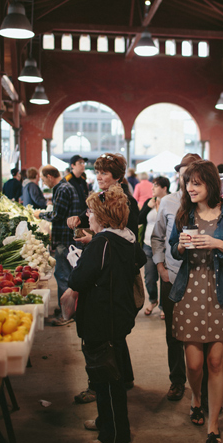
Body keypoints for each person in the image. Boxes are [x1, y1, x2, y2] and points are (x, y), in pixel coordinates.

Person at [169, 160, 223, 443]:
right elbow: (173, 249)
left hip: (221, 292)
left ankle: (213, 425)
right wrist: (181, 246)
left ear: (211, 184)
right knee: (194, 364)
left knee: (215, 362)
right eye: (188, 183)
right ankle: (196, 398)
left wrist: (218, 244)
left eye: (197, 183)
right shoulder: (184, 213)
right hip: (190, 292)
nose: (190, 188)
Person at [61, 187, 146, 443]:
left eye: (90, 211)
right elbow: (138, 260)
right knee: (107, 374)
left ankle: (116, 435)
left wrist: (79, 260)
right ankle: (104, 421)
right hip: (117, 315)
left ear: (102, 216)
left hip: (102, 318)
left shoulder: (102, 243)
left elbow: (78, 279)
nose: (87, 216)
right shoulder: (126, 238)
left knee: (106, 378)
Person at [70, 153, 139, 403]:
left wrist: (98, 240)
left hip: (112, 283)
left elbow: (127, 240)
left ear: (117, 176)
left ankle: (105, 387)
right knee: (114, 339)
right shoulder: (102, 198)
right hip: (110, 276)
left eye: (104, 173)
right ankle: (123, 378)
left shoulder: (124, 203)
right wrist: (81, 222)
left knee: (108, 340)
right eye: (97, 172)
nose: (99, 176)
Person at [151, 153, 202, 403]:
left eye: (193, 174)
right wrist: (161, 267)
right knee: (173, 333)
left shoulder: (211, 204)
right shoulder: (168, 202)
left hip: (202, 280)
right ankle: (177, 380)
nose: (188, 179)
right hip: (172, 277)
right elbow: (157, 236)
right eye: (184, 174)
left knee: (201, 334)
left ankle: (202, 386)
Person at [36, 165, 82, 312]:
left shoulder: (62, 189)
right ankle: (67, 309)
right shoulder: (65, 187)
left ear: (50, 177)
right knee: (66, 274)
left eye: (43, 179)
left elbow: (57, 215)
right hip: (68, 237)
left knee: (62, 275)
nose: (43, 183)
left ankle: (66, 313)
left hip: (65, 239)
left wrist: (40, 214)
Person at [139, 176, 171, 316]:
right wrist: (148, 207)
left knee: (165, 278)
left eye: (156, 186)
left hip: (165, 246)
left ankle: (164, 306)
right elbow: (139, 219)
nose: (152, 188)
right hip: (148, 245)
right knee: (150, 278)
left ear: (164, 188)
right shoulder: (150, 201)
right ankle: (153, 300)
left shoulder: (171, 202)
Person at [65, 155, 89, 223]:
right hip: (72, 216)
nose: (83, 165)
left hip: (82, 216)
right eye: (80, 163)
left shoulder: (83, 180)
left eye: (83, 163)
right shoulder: (67, 180)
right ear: (73, 165)